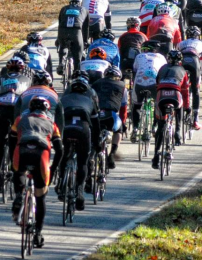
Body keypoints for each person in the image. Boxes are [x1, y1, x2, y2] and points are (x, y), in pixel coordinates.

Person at [8, 97, 61, 247]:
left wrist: (12, 161)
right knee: (40, 197)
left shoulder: (20, 119)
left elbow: (11, 141)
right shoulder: (52, 124)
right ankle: (38, 233)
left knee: (19, 172)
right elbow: (60, 149)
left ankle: (19, 196)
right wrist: (54, 168)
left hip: (22, 149)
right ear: (46, 110)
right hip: (41, 155)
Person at [58, 77, 98, 211]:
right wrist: (96, 143)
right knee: (82, 161)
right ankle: (80, 191)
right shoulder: (89, 100)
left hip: (66, 129)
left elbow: (56, 121)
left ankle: (61, 182)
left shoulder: (63, 99)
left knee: (63, 155)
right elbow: (96, 126)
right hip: (83, 130)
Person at [150, 50, 191, 170]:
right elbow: (185, 92)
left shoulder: (162, 68)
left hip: (161, 94)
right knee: (180, 105)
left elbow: (157, 84)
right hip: (175, 95)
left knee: (161, 125)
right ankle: (178, 131)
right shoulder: (183, 70)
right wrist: (187, 108)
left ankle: (156, 156)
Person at [0, 58, 32, 178]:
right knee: (16, 141)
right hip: (17, 110)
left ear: (8, 68)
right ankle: (14, 170)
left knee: (0, 144)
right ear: (22, 69)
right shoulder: (27, 80)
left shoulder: (0, 79)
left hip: (1, 110)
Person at [91, 66, 126, 168]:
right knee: (118, 130)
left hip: (96, 114)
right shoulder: (122, 86)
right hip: (111, 115)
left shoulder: (96, 83)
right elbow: (123, 107)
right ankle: (112, 154)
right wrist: (122, 123)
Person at [130, 40, 167, 134]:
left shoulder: (139, 56)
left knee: (137, 105)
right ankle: (154, 126)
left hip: (139, 84)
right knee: (157, 105)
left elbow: (134, 69)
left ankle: (135, 128)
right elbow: (164, 71)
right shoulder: (161, 57)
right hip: (154, 84)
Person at [177, 26, 202, 129]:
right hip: (194, 61)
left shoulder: (181, 43)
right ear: (198, 36)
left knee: (180, 88)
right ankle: (195, 119)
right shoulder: (201, 44)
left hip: (183, 61)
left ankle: (178, 112)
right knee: (195, 91)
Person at [56, 0, 90, 74]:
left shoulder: (63, 9)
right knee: (78, 54)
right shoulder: (84, 10)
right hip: (76, 31)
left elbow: (60, 24)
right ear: (80, 2)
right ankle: (76, 72)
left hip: (63, 31)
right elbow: (86, 28)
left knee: (63, 46)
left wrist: (58, 39)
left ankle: (61, 62)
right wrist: (85, 41)